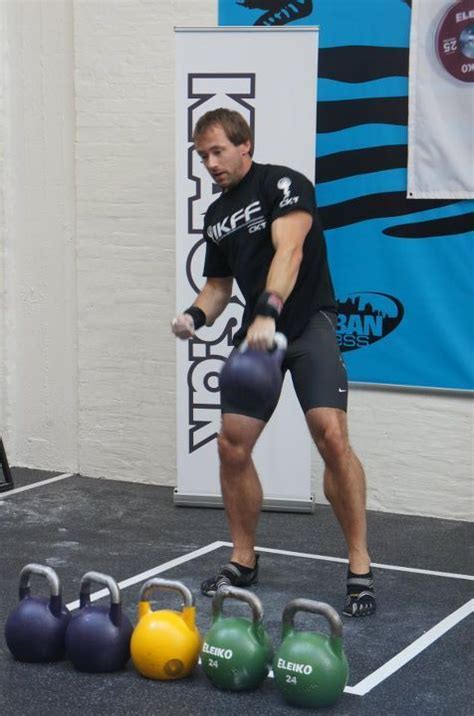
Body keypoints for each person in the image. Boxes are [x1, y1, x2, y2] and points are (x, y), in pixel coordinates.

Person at [172, 108, 375, 617]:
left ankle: (359, 561)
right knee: (231, 445)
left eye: (218, 151)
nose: (211, 164)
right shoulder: (216, 215)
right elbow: (218, 287)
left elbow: (290, 253)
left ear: (245, 145)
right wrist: (195, 314)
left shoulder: (283, 184)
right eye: (202, 156)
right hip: (259, 333)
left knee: (330, 434)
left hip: (306, 323)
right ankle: (243, 558)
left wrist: (267, 311)